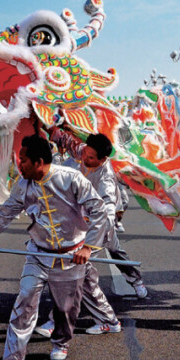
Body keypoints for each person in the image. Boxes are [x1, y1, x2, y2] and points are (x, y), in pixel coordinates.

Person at [0, 134, 108, 360]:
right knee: (24, 301)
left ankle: (61, 342)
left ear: (39, 162)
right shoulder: (23, 186)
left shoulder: (71, 179)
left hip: (71, 256)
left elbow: (99, 210)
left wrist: (88, 247)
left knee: (66, 310)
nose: (19, 164)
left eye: (23, 160)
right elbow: (3, 214)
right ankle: (12, 359)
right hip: (38, 253)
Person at [35, 131, 144, 337]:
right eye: (85, 153)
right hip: (79, 220)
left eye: (91, 158)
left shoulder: (106, 178)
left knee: (113, 251)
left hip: (100, 223)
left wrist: (93, 241)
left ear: (103, 160)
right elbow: (62, 137)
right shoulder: (81, 151)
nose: (85, 159)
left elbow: (107, 208)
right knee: (81, 273)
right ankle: (105, 320)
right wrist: (46, 124)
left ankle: (135, 281)